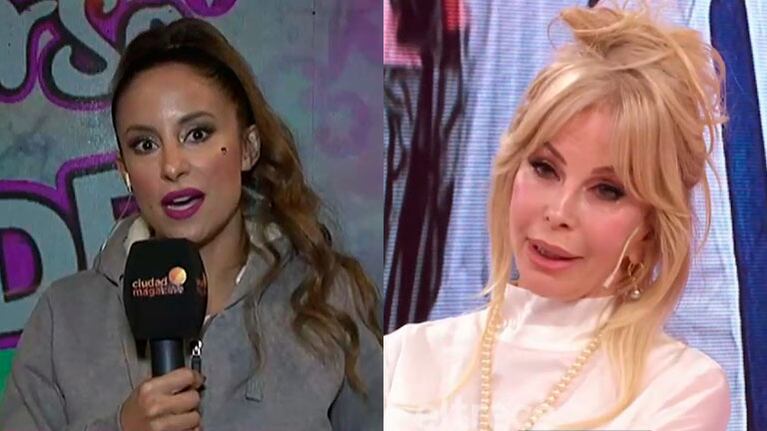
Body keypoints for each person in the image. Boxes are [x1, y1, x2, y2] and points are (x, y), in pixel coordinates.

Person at [0, 18, 382, 431]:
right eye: (145, 144)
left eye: (197, 134)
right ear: (125, 171)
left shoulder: (326, 297)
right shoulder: (63, 319)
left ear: (247, 148)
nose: (172, 166)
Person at [384, 4, 730, 431]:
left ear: (649, 230)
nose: (559, 213)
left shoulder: (682, 390)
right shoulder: (403, 359)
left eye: (607, 190)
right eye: (545, 168)